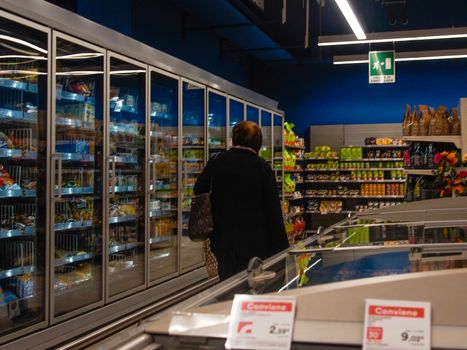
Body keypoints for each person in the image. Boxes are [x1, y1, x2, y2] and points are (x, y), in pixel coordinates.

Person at [194, 121, 289, 281]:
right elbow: (272, 209)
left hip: (222, 236)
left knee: (226, 280)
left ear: (235, 138)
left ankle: (228, 304)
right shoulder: (262, 167)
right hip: (254, 240)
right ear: (257, 142)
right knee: (251, 282)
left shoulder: (217, 160)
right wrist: (280, 248)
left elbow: (199, 188)